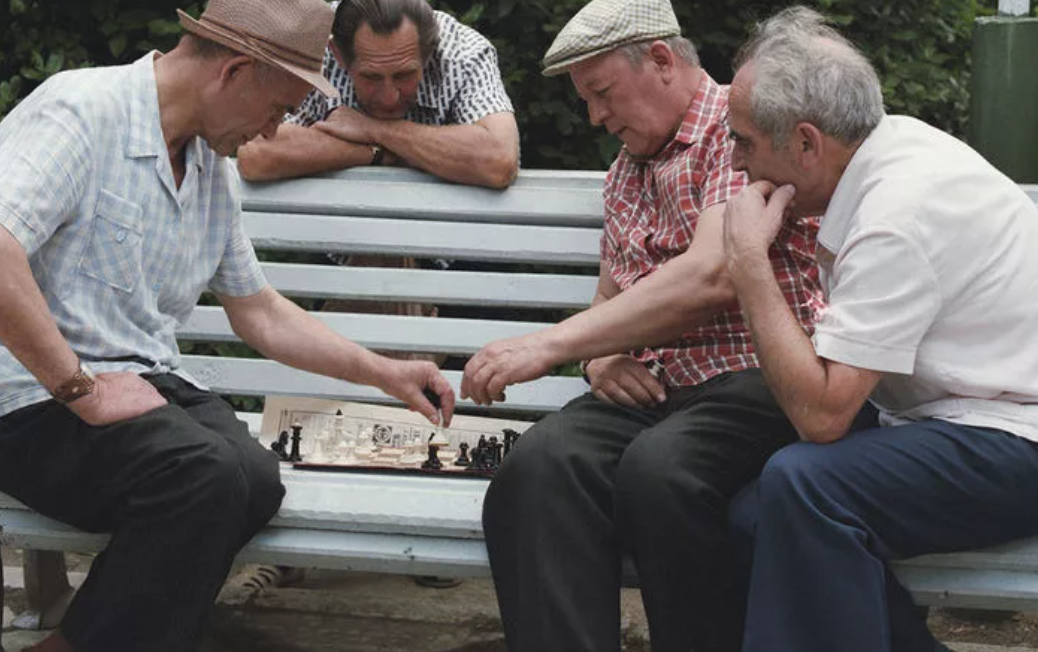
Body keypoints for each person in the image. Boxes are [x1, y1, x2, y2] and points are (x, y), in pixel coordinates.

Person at [0, 0, 454, 650]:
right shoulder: (79, 112)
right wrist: (83, 389)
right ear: (234, 71)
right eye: (276, 109)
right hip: (33, 398)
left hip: (140, 383)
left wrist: (384, 372)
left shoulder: (209, 163)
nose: (272, 133)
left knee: (253, 480)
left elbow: (259, 309)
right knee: (203, 480)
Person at [459, 0, 823, 650]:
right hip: (656, 393)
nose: (596, 116)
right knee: (536, 467)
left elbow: (715, 272)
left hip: (752, 378)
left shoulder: (738, 134)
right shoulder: (625, 174)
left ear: (660, 59)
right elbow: (609, 304)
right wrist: (598, 357)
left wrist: (548, 345)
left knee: (663, 471)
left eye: (602, 94)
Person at [721, 7, 1038, 652]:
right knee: (757, 515)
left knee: (802, 484)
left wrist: (749, 263)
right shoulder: (888, 146)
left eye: (745, 142)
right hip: (958, 414)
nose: (733, 163)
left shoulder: (896, 213)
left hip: (1015, 436)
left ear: (807, 142)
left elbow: (824, 417)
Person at [236, 0, 519, 189]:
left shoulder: (464, 53)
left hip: (451, 251)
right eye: (371, 77)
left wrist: (370, 128)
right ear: (338, 56)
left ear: (428, 53)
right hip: (340, 244)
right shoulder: (312, 46)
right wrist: (378, 153)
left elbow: (498, 160)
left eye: (404, 75)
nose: (389, 97)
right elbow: (256, 151)